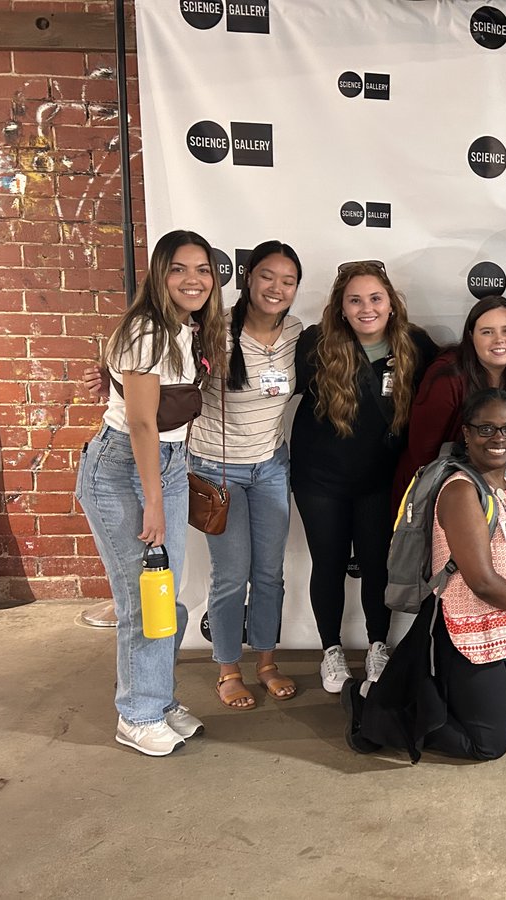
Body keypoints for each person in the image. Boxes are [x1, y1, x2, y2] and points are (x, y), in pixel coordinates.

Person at [342, 389, 506, 761]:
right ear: (467, 434)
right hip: (468, 625)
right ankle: (377, 708)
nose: (499, 438)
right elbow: (481, 581)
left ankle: (478, 705)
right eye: (486, 428)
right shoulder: (461, 490)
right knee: (488, 745)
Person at [75, 229, 226, 756]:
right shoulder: (147, 330)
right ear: (159, 275)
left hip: (168, 465)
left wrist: (109, 374)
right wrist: (155, 502)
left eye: (203, 269)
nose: (194, 279)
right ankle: (136, 714)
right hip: (125, 470)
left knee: (167, 597)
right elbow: (140, 423)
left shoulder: (188, 329)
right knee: (142, 600)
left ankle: (157, 700)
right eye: (179, 269)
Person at [291, 261, 437, 694]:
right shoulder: (314, 344)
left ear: (391, 303)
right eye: (354, 300)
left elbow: (455, 384)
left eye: (375, 298)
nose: (366, 308)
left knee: (378, 566)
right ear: (341, 307)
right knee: (329, 564)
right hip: (320, 479)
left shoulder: (415, 346)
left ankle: (378, 645)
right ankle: (331, 650)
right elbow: (258, 381)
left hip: (381, 480)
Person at [188, 241, 304, 710]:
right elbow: (159, 364)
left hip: (271, 465)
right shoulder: (213, 331)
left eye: (288, 280)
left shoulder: (296, 331)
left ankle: (267, 663)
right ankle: (228, 668)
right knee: (232, 575)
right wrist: (108, 374)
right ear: (247, 278)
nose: (276, 288)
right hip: (218, 471)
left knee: (270, 573)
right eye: (267, 276)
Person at [391, 295, 506, 507]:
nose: (499, 340)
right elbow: (422, 454)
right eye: (487, 332)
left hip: (479, 491)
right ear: (471, 336)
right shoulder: (448, 377)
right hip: (430, 493)